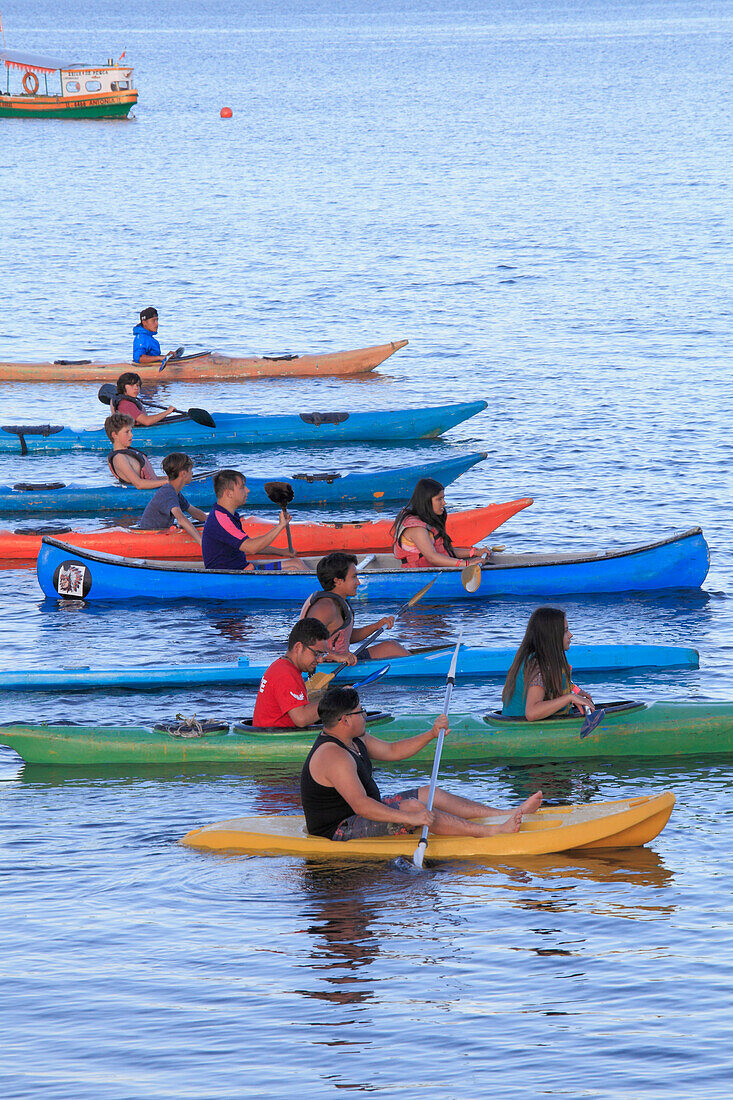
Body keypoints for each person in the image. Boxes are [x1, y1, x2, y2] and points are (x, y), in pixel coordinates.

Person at [300, 685, 543, 840]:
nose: (364, 715)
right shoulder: (334, 755)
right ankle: (492, 831)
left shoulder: (354, 737)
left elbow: (393, 750)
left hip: (364, 810)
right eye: (360, 712)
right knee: (416, 809)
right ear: (344, 720)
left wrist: (431, 733)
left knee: (429, 793)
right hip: (340, 828)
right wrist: (411, 818)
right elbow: (362, 806)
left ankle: (507, 813)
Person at [300, 552, 409, 663]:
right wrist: (336, 657)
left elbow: (347, 637)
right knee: (394, 650)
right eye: (353, 577)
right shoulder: (324, 607)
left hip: (343, 661)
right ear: (337, 581)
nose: (358, 582)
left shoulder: (337, 602)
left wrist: (376, 626)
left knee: (391, 647)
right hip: (330, 666)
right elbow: (306, 643)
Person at [200, 468, 306, 572]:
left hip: (242, 570)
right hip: (232, 577)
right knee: (294, 569)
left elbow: (249, 544)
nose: (247, 490)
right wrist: (280, 526)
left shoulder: (228, 515)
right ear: (229, 493)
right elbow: (251, 548)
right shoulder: (221, 520)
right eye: (242, 487)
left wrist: (282, 552)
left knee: (297, 563)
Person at [501, 606, 595, 720]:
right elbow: (532, 713)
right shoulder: (539, 665)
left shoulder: (545, 660)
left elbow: (558, 683)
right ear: (551, 635)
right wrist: (570, 698)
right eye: (565, 630)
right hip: (520, 729)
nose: (571, 635)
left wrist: (577, 692)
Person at [392, 478, 491, 568]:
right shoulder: (416, 529)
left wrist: (475, 552)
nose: (444, 503)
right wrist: (467, 564)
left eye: (443, 498)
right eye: (439, 499)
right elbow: (432, 557)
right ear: (426, 501)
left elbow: (445, 551)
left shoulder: (425, 521)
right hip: (419, 577)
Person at [252, 618, 332, 729]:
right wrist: (334, 701)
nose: (320, 660)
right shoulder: (285, 674)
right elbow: (301, 719)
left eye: (322, 655)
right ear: (298, 647)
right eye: (317, 654)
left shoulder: (282, 667)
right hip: (275, 741)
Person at [138, 452, 208, 542]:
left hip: (160, 533)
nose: (192, 473)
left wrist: (214, 523)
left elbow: (198, 514)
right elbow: (181, 519)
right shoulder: (168, 493)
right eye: (190, 470)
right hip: (150, 537)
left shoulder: (175, 493)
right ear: (183, 473)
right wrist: (202, 543)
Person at [104, 413, 168, 489]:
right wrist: (170, 482)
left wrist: (171, 479)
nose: (131, 435)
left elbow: (151, 479)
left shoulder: (129, 452)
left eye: (131, 431)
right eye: (127, 432)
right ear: (115, 435)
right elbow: (139, 484)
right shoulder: (119, 458)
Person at [110, 371, 175, 426]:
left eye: (137, 385)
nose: (136, 388)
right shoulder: (126, 404)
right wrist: (167, 412)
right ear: (123, 387)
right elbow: (147, 421)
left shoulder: (126, 400)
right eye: (131, 385)